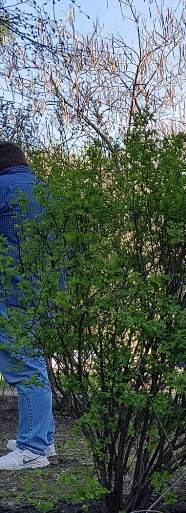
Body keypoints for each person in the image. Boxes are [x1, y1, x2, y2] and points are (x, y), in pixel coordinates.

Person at [0, 142, 56, 470]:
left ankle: (31, 449)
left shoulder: (3, 189)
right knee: (35, 364)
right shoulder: (45, 190)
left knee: (25, 369)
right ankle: (43, 438)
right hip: (45, 294)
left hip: (13, 292)